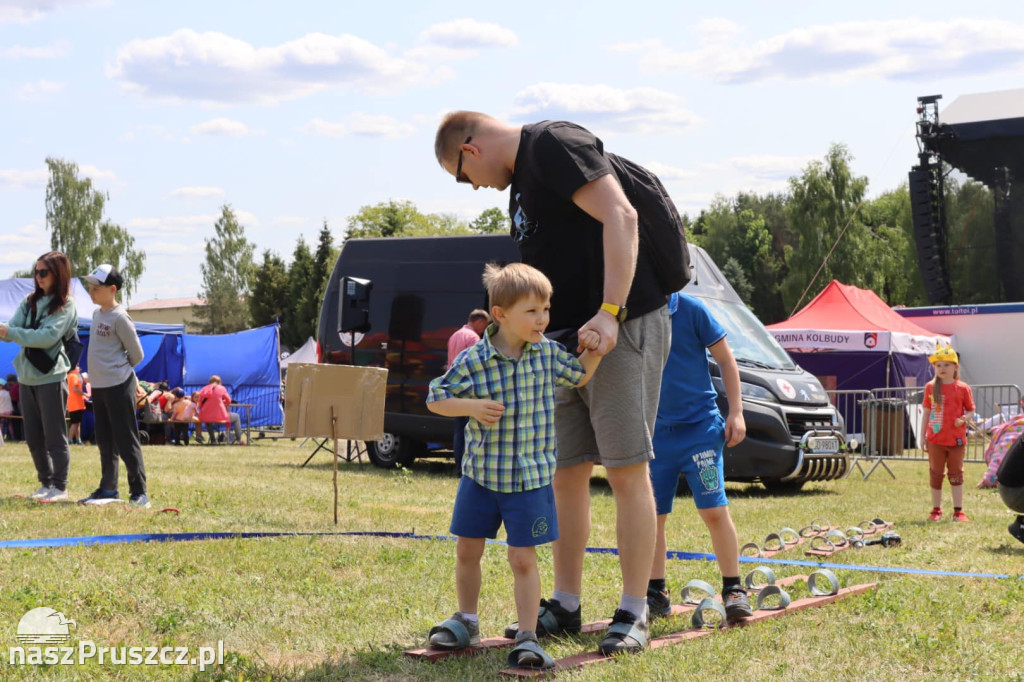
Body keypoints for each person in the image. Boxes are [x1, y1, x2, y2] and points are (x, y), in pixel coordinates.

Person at [435, 112, 671, 654]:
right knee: (565, 471)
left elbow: (621, 215)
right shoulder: (523, 182)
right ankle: (565, 601)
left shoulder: (552, 144)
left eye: (461, 178)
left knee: (627, 469)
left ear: (470, 151)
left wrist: (611, 312)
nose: (472, 188)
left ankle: (633, 610)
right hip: (560, 342)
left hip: (621, 328)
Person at [424, 263, 602, 669]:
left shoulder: (548, 356)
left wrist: (596, 351)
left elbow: (579, 377)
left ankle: (527, 636)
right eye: (532, 311)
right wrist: (470, 407)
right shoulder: (474, 360)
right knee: (468, 550)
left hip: (531, 481)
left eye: (546, 308)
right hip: (482, 477)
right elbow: (436, 397)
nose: (543, 319)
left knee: (523, 559)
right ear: (500, 314)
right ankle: (466, 620)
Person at [646, 292, 752, 621]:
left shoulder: (692, 309)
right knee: (652, 517)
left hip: (701, 433)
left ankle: (733, 587)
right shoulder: (634, 312)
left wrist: (736, 412)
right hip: (655, 437)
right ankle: (655, 591)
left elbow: (726, 360)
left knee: (714, 510)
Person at [0, 251, 78, 500]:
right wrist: (15, 331)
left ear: (59, 274)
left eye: (43, 272)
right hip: (26, 377)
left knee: (55, 438)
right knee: (33, 439)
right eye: (35, 271)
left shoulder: (67, 304)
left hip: (51, 378)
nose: (38, 276)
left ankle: (60, 487)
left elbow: (47, 337)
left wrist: (14, 332)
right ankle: (45, 483)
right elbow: (14, 327)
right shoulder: (28, 300)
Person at [79, 264, 149, 508]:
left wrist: (119, 370)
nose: (91, 292)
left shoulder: (120, 317)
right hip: (99, 387)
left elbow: (137, 354)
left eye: (96, 288)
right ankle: (108, 488)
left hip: (119, 386)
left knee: (126, 439)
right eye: (89, 288)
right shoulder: (98, 314)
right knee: (105, 439)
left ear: (112, 289)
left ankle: (139, 493)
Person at [920, 344, 975, 522]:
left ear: (955, 367)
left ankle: (958, 511)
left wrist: (964, 419)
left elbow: (971, 410)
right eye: (938, 365)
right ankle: (936, 510)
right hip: (935, 439)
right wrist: (922, 436)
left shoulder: (963, 388)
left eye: (946, 365)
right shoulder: (930, 387)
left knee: (956, 473)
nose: (942, 368)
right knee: (936, 474)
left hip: (956, 440)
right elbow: (927, 412)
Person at [446, 309, 491, 470]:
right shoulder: (473, 338)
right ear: (479, 322)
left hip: (454, 387)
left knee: (459, 430)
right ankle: (466, 467)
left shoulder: (455, 335)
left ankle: (458, 466)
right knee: (470, 430)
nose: (486, 329)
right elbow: (477, 365)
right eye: (486, 325)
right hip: (468, 388)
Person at [197, 375, 240, 444]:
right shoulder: (222, 388)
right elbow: (228, 401)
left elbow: (200, 403)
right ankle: (238, 440)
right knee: (236, 416)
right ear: (219, 382)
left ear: (210, 382)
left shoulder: (204, 389)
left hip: (206, 415)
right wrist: (221, 402)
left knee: (208, 421)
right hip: (220, 416)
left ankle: (213, 440)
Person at [66, 366, 90, 445]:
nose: (79, 368)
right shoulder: (73, 376)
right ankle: (69, 440)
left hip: (75, 403)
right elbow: (75, 389)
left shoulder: (70, 376)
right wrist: (84, 393)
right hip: (75, 403)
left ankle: (78, 439)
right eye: (77, 366)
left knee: (77, 422)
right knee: (74, 422)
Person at [6, 374, 21, 441]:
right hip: (17, 407)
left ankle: (11, 437)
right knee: (18, 424)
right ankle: (19, 437)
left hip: (10, 408)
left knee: (11, 423)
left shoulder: (7, 387)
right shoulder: (17, 385)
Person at [0, 377, 13, 442]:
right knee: (9, 424)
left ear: (1, 387)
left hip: (2, 411)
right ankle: (13, 436)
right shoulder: (8, 393)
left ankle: (1, 437)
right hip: (9, 411)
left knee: (2, 424)